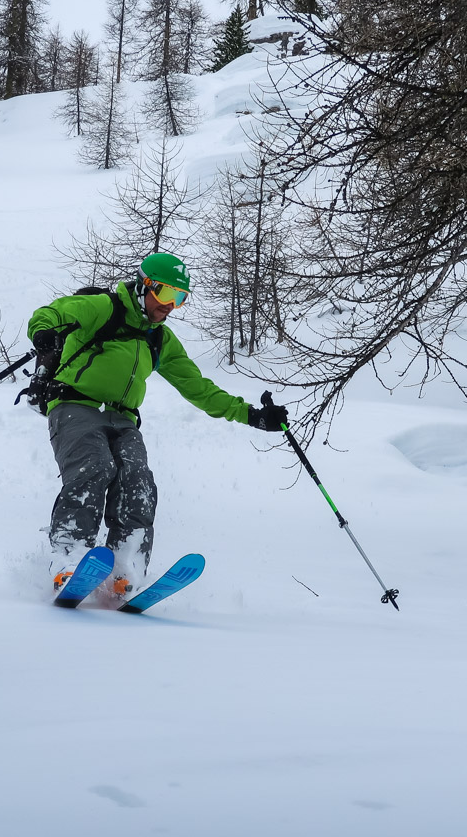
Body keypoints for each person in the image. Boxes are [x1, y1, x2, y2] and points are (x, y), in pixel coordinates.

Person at [23, 252, 288, 599]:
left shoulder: (159, 338)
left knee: (138, 480)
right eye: (166, 295)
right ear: (143, 286)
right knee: (95, 467)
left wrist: (251, 415)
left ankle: (124, 565)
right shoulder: (103, 308)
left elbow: (198, 388)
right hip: (76, 405)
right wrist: (44, 333)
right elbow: (51, 313)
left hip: (123, 418)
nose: (171, 306)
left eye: (180, 298)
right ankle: (69, 557)